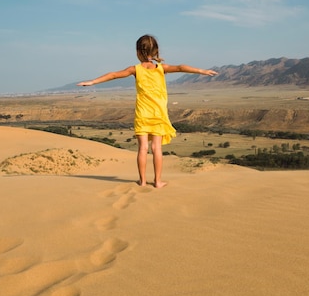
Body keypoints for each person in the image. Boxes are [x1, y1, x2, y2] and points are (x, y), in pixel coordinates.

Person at [77, 35, 218, 188]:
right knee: (156, 148)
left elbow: (113, 75)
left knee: (142, 148)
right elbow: (181, 67)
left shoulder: (135, 69)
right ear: (155, 51)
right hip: (158, 114)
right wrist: (202, 71)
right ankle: (157, 182)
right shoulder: (161, 68)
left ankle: (142, 181)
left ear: (138, 52)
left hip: (142, 114)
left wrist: (92, 82)